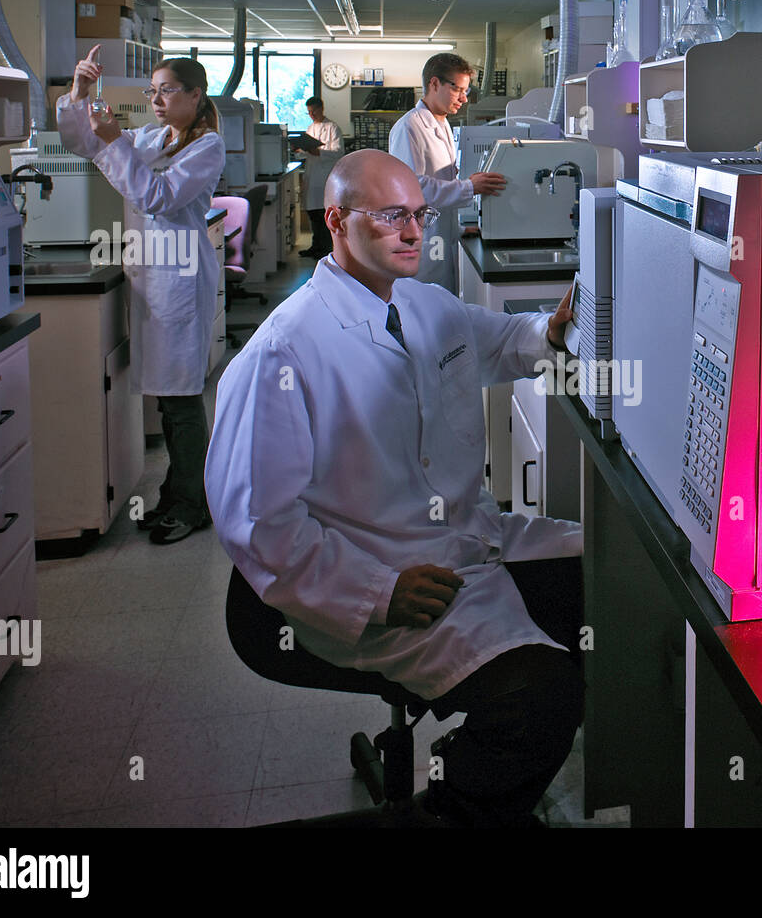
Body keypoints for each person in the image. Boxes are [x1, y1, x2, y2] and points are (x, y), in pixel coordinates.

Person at [205, 150, 582, 825]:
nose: (412, 232)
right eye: (388, 217)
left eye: (417, 215)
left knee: (602, 580)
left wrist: (550, 330)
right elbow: (259, 524)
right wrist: (379, 592)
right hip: (377, 582)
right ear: (337, 221)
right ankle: (457, 810)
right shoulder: (283, 352)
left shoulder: (427, 306)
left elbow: (503, 342)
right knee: (540, 700)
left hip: (471, 544)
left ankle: (493, 788)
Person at [59, 48, 226, 546]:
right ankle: (178, 496)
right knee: (168, 399)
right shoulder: (155, 137)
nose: (156, 99)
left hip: (178, 279)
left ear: (195, 96)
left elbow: (157, 196)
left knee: (181, 401)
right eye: (152, 91)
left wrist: (114, 142)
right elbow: (81, 143)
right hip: (153, 276)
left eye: (167, 90)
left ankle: (192, 505)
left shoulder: (207, 145)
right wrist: (81, 93)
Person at [387, 53, 506, 293]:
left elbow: (440, 188)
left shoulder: (442, 125)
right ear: (434, 84)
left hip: (441, 239)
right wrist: (469, 187)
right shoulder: (409, 127)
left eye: (466, 91)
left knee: (442, 311)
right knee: (421, 315)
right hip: (423, 247)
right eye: (458, 90)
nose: (464, 98)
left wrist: (459, 229)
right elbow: (413, 190)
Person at [299, 96, 343, 260]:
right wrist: (300, 149)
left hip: (325, 176)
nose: (311, 115)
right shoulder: (310, 128)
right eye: (309, 112)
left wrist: (320, 153)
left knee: (323, 213)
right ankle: (315, 245)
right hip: (312, 176)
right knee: (312, 213)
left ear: (321, 108)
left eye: (314, 111)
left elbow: (338, 152)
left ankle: (324, 247)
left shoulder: (333, 128)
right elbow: (308, 151)